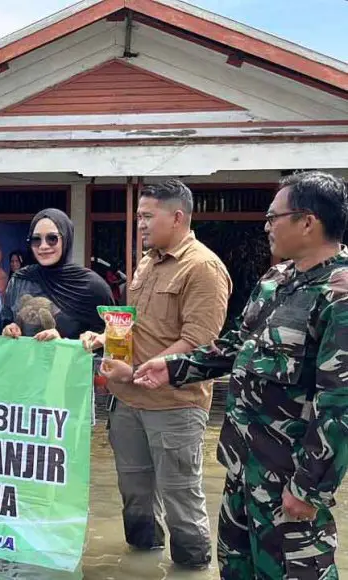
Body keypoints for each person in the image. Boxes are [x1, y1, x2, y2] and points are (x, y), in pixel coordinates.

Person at [131, 172, 348, 579]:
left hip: (290, 483)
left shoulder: (340, 294)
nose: (266, 226)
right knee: (234, 570)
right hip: (242, 469)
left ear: (307, 222)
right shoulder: (275, 281)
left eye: (273, 217)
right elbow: (236, 346)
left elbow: (339, 405)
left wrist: (309, 489)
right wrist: (174, 367)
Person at [84, 179, 231, 570]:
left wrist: (136, 370)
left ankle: (191, 569)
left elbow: (198, 343)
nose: (141, 224)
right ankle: (140, 567)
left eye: (148, 216)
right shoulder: (148, 261)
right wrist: (105, 339)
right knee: (135, 498)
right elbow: (137, 325)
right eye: (139, 217)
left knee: (181, 499)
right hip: (128, 401)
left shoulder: (203, 268)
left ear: (177, 217)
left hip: (174, 406)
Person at [0, 209, 113, 341]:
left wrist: (63, 343)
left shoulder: (92, 287)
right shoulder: (20, 280)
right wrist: (9, 328)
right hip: (25, 355)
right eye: (36, 239)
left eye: (52, 238)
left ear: (66, 239)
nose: (43, 246)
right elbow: (5, 320)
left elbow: (110, 340)